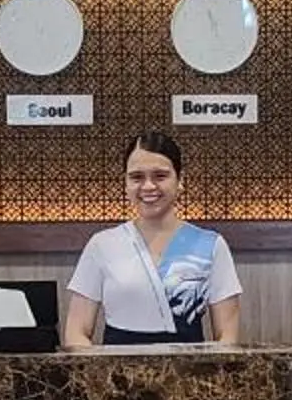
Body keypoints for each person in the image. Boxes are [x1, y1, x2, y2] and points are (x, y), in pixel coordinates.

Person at [62, 130, 243, 347]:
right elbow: (76, 332)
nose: (148, 186)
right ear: (126, 184)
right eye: (137, 177)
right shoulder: (102, 244)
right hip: (117, 376)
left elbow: (227, 338)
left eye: (160, 176)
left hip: (190, 375)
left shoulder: (211, 245)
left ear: (180, 180)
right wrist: (99, 377)